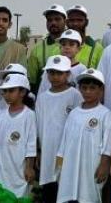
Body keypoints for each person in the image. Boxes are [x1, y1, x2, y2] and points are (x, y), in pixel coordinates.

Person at [57, 68, 111, 203]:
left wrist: (104, 165)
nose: (87, 92)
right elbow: (64, 141)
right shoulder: (74, 113)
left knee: (89, 195)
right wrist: (59, 164)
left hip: (92, 164)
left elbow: (107, 144)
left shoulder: (105, 114)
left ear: (101, 90)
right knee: (70, 193)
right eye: (84, 88)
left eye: (92, 88)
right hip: (71, 163)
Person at [35, 55, 83, 203]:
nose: (55, 77)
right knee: (50, 187)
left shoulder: (75, 95)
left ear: (68, 74)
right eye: (51, 73)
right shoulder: (42, 98)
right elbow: (38, 126)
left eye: (59, 73)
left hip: (69, 151)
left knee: (68, 186)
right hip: (48, 151)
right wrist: (39, 151)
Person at [0, 73, 37, 198]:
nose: (7, 95)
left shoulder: (29, 115)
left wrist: (29, 167)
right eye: (4, 91)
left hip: (18, 167)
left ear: (22, 92)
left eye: (11, 90)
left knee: (16, 197)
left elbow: (31, 144)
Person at [27, 4, 67, 92]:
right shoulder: (37, 49)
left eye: (57, 19)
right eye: (49, 20)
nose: (53, 23)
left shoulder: (74, 45)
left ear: (65, 21)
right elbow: (32, 81)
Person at [37, 29, 87, 95]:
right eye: (63, 44)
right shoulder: (51, 66)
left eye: (71, 44)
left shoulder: (82, 69)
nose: (67, 47)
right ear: (60, 47)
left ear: (79, 49)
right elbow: (42, 90)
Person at [0, 6, 27, 74]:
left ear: (10, 25)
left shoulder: (19, 50)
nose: (0, 23)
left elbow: (22, 76)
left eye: (5, 20)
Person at [66, 4, 105, 68]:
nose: (75, 23)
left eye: (79, 20)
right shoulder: (59, 47)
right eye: (72, 20)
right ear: (67, 22)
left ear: (86, 22)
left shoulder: (97, 49)